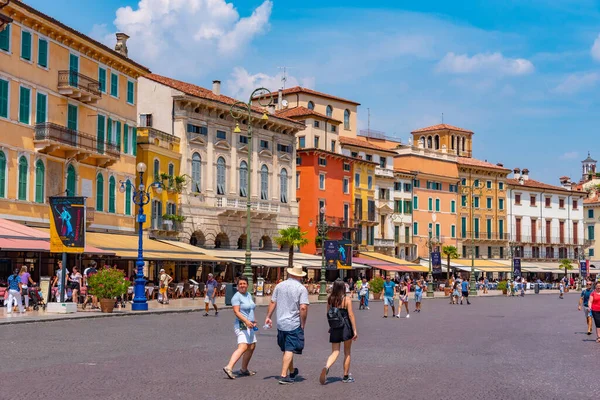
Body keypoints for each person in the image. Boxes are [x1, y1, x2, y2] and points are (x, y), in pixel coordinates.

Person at [264, 265, 309, 385]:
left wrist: (268, 317)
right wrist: (303, 323)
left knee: (287, 348)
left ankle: (292, 371)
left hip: (280, 323)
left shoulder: (279, 285)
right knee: (289, 349)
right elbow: (303, 307)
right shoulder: (301, 289)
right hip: (293, 323)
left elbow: (273, 302)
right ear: (300, 276)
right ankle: (283, 375)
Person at [320, 279, 358, 385]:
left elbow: (329, 314)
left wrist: (331, 326)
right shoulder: (347, 299)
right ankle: (345, 376)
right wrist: (354, 330)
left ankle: (326, 366)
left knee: (335, 351)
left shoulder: (330, 299)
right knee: (347, 352)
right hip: (346, 326)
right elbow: (351, 315)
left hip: (335, 327)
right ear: (343, 288)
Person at [223, 276, 257, 379]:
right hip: (241, 324)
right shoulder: (236, 297)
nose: (242, 285)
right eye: (240, 284)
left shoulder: (249, 295)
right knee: (243, 347)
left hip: (250, 325)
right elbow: (236, 312)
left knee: (252, 346)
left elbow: (250, 309)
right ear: (237, 286)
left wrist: (253, 321)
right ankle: (229, 367)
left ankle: (244, 369)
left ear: (247, 285)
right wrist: (246, 321)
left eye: (244, 283)